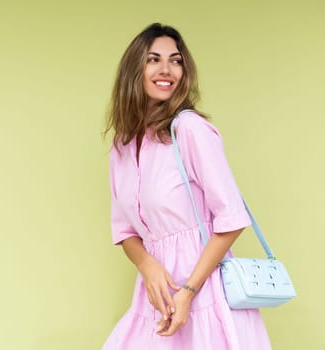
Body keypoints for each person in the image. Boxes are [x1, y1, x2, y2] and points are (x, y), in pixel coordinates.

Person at [103, 23, 272, 350]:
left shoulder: (190, 130)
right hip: (155, 296)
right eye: (153, 59)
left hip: (204, 292)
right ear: (134, 69)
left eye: (176, 60)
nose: (166, 70)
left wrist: (189, 292)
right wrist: (147, 265)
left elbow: (232, 218)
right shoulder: (122, 147)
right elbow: (124, 230)